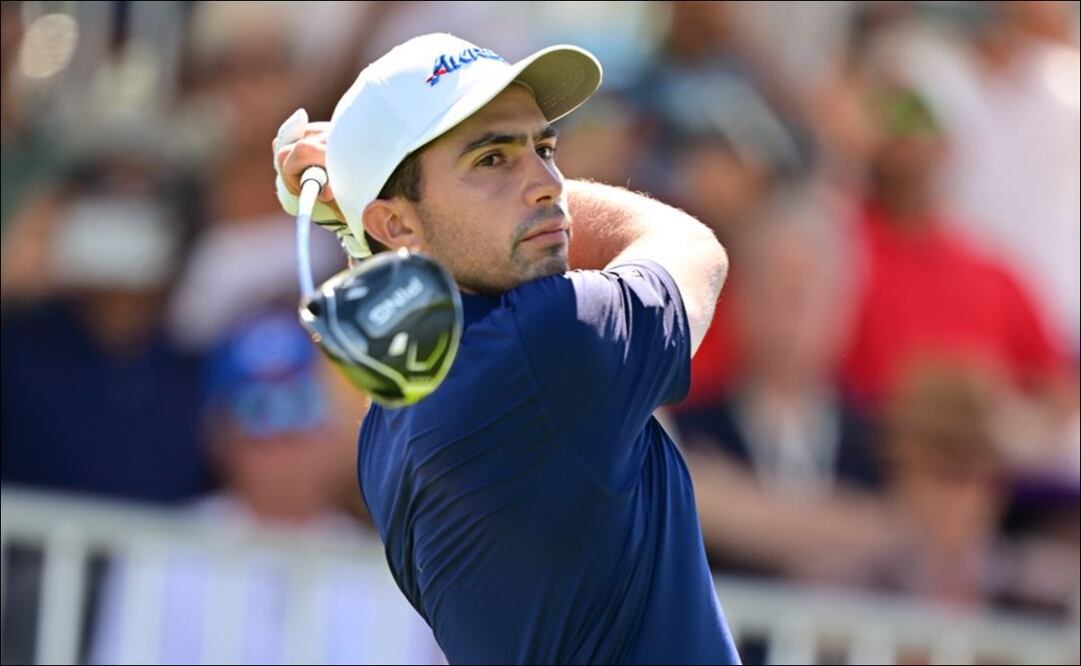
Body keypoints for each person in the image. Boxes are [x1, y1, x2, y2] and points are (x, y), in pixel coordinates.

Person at [274, 33, 737, 664]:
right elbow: (689, 245)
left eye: (544, 148)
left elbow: (422, 258)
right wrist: (359, 204)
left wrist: (366, 210)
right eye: (492, 160)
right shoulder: (548, 341)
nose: (548, 184)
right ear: (396, 222)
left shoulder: (387, 422)